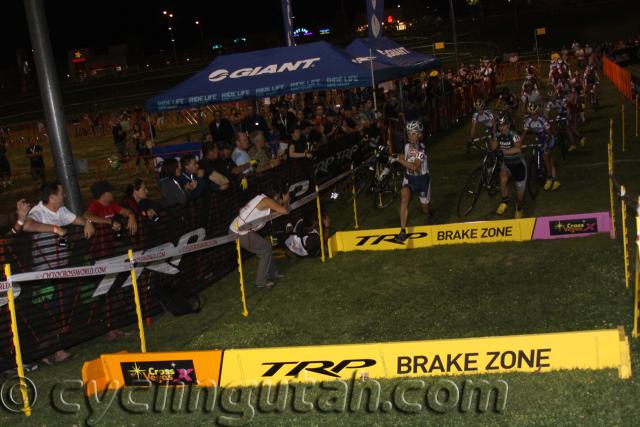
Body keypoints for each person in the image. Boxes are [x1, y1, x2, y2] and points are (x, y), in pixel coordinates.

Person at [23, 181, 95, 364]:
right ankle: (52, 350)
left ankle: (53, 349)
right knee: (52, 310)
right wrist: (54, 228)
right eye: (62, 193)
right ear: (53, 196)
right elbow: (27, 226)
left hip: (61, 269)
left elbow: (76, 219)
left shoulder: (61, 210)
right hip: (45, 273)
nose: (65, 195)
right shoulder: (38, 211)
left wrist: (87, 223)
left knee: (62, 308)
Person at [229, 187, 289, 288]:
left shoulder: (261, 199)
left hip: (237, 228)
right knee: (265, 250)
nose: (279, 199)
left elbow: (275, 211)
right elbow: (284, 211)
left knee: (266, 247)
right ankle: (261, 281)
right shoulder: (267, 201)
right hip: (240, 232)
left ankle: (272, 273)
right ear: (274, 196)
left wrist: (281, 203)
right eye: (278, 197)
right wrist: (286, 200)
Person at [392, 120, 432, 244]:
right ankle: (402, 231)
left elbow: (415, 166)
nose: (410, 136)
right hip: (409, 179)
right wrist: (393, 155)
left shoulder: (422, 149)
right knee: (404, 199)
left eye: (413, 133)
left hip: (422, 180)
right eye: (409, 133)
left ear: (419, 135)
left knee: (425, 209)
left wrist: (398, 159)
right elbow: (404, 156)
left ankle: (429, 211)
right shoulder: (407, 146)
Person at [491, 114, 526, 218]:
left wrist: (503, 151)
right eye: (500, 125)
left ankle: (519, 208)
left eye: (504, 125)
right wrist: (493, 135)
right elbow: (493, 147)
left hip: (518, 165)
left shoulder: (513, 135)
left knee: (520, 196)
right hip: (506, 163)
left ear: (508, 125)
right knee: (503, 179)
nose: (501, 128)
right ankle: (504, 201)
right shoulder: (498, 134)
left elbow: (518, 149)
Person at [522, 104, 560, 191]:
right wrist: (519, 143)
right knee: (549, 159)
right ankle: (556, 180)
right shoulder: (528, 121)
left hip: (549, 137)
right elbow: (523, 134)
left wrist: (546, 143)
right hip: (540, 138)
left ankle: (550, 178)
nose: (533, 116)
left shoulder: (543, 120)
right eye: (531, 115)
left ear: (538, 113)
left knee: (546, 155)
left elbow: (549, 134)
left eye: (535, 114)